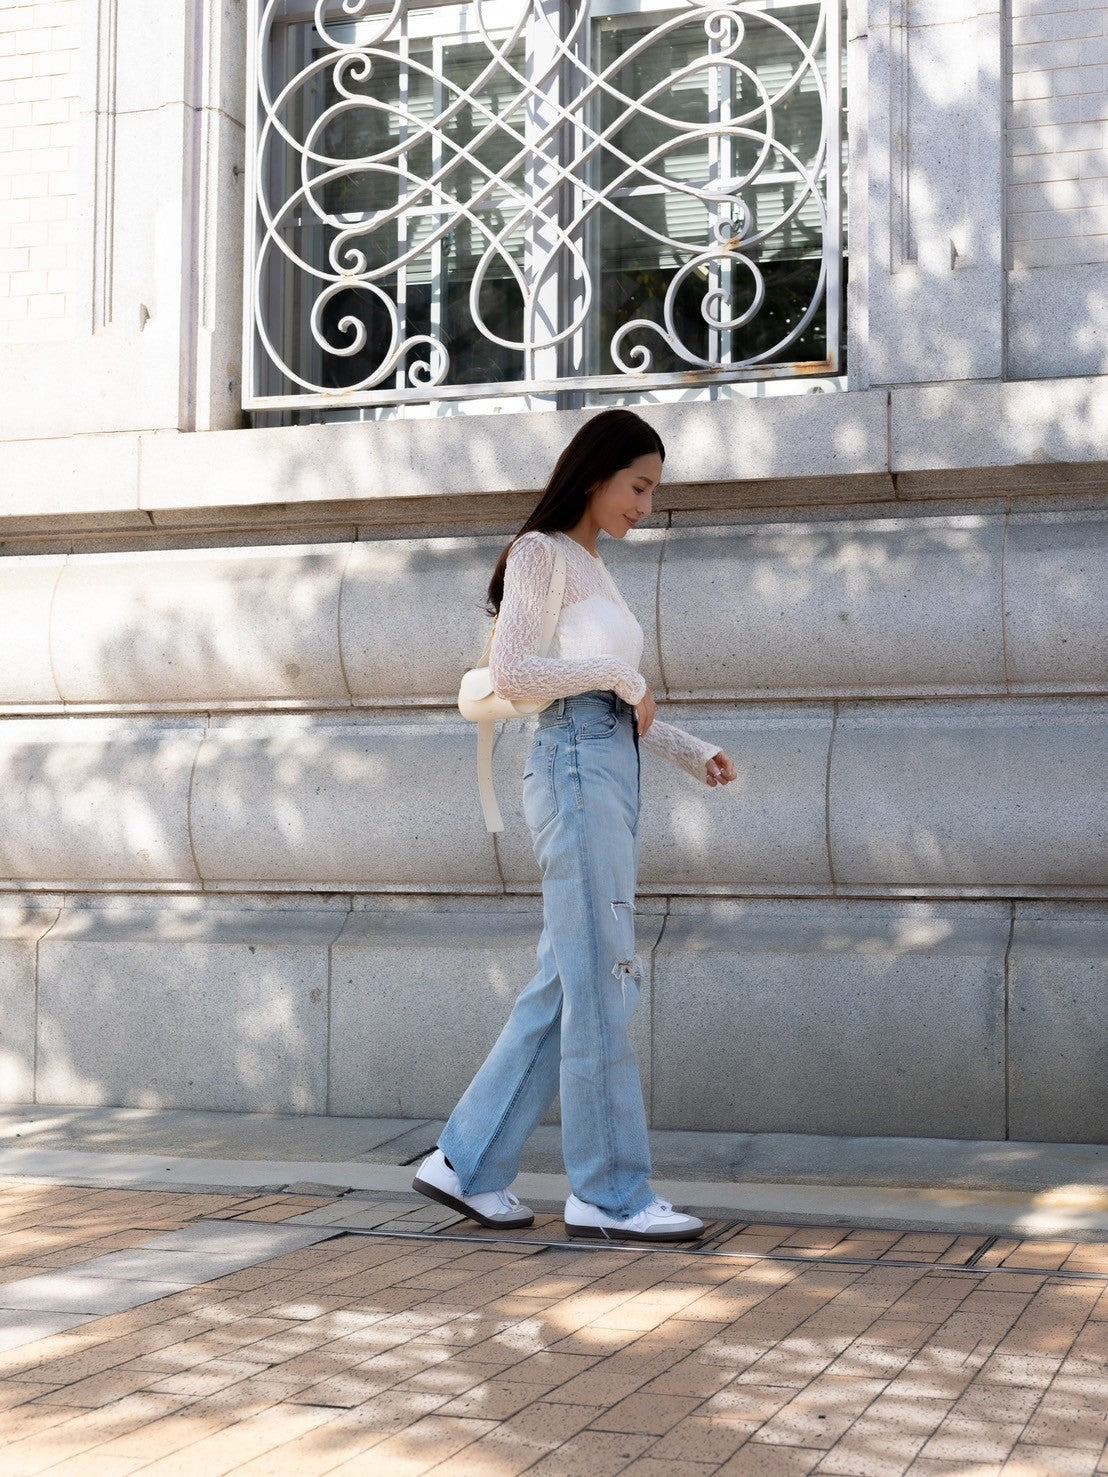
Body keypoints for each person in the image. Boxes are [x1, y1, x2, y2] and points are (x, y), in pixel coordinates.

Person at [414, 409, 736, 1242]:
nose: (647, 504)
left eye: (654, 490)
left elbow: (609, 701)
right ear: (594, 475)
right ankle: (609, 1191)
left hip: (605, 766)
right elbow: (519, 672)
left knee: (570, 979)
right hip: (571, 769)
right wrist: (623, 677)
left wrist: (689, 750)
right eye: (639, 485)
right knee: (602, 982)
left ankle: (465, 1160)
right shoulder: (542, 553)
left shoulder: (596, 567)